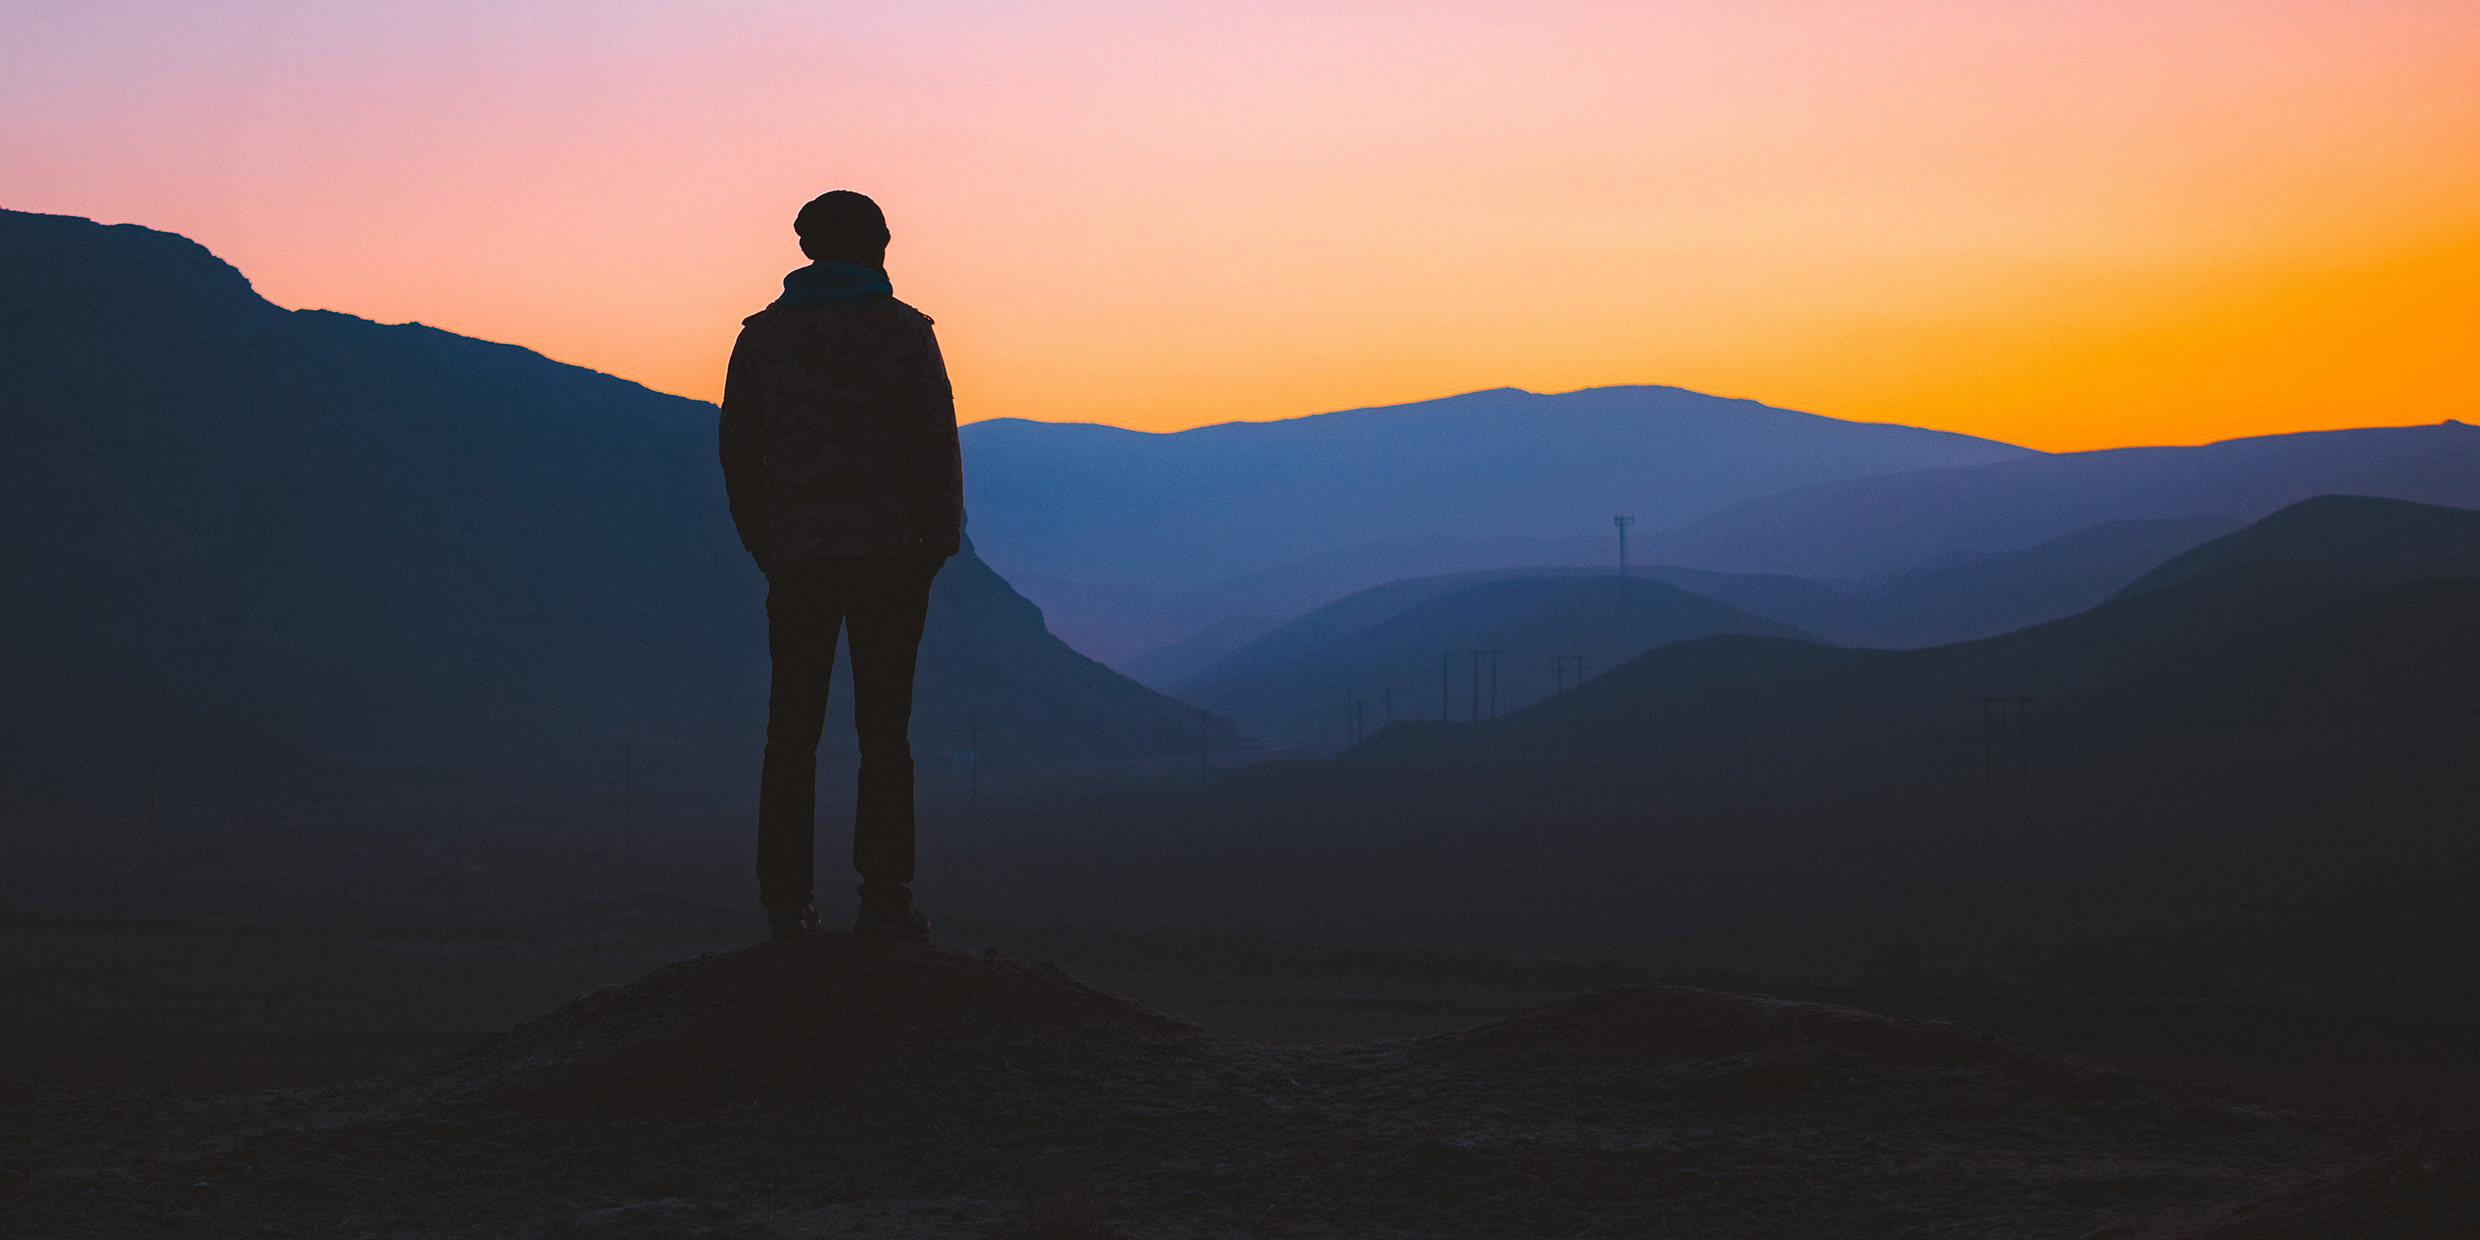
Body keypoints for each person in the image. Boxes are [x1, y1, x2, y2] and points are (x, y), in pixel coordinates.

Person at [719, 190, 961, 943]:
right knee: (885, 733)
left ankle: (786, 903)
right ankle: (885, 899)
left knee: (790, 733)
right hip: (891, 558)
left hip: (798, 559)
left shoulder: (761, 340)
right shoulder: (904, 334)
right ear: (871, 244)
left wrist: (768, 542)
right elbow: (933, 444)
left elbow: (739, 454)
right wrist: (936, 543)